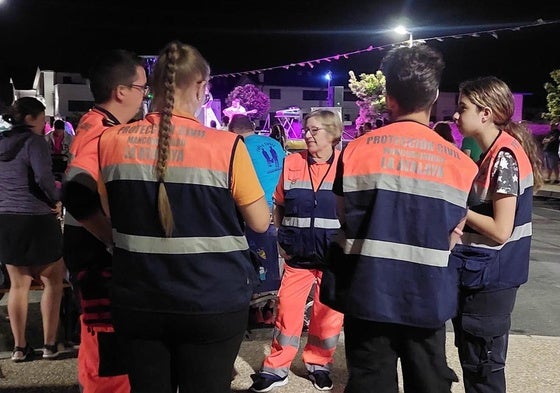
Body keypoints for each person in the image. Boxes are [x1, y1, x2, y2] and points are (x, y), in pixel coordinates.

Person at [76, 40, 271, 393]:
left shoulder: (111, 141)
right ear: (200, 86)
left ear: (153, 87)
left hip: (138, 299)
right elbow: (260, 221)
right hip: (211, 300)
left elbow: (106, 211)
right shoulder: (226, 146)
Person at [320, 44, 479, 393]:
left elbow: (344, 216)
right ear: (435, 95)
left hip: (367, 292)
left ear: (389, 97)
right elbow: (455, 233)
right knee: (429, 381)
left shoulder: (355, 151)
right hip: (427, 297)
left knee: (369, 381)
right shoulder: (461, 164)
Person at [451, 76, 544, 393]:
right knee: (477, 366)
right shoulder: (493, 153)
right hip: (482, 276)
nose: (455, 115)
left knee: (482, 371)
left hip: (490, 279)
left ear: (485, 113)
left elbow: (501, 230)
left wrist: (457, 211)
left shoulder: (504, 157)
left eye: (462, 108)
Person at [61, 48, 146, 393]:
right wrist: (114, 241)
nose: (145, 96)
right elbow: (77, 193)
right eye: (142, 88)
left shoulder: (95, 122)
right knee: (109, 349)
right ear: (122, 91)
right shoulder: (103, 134)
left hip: (88, 250)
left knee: (100, 343)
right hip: (97, 257)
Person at [249, 109, 344, 393]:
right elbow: (279, 204)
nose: (307, 135)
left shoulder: (346, 165)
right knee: (288, 313)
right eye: (306, 129)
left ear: (333, 134)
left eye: (315, 130)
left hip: (332, 257)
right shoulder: (291, 162)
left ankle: (319, 365)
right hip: (298, 256)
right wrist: (282, 238)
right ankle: (276, 369)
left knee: (327, 316)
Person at [0, 96, 66, 362]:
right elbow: (43, 177)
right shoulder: (34, 142)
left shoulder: (1, 143)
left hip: (6, 218)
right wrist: (56, 200)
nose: (45, 122)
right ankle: (49, 345)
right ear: (30, 118)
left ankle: (19, 347)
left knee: (18, 285)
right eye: (42, 117)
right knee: (53, 280)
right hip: (37, 216)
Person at [228, 114, 286, 323]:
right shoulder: (273, 143)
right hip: (280, 208)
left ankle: (256, 308)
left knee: (255, 259)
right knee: (275, 262)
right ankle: (271, 307)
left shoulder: (238, 147)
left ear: (232, 130)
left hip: (258, 208)